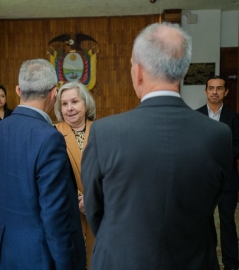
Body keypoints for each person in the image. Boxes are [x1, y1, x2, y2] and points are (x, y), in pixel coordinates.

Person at [81, 22, 233, 270]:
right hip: (193, 259)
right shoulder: (218, 135)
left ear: (138, 72)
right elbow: (211, 200)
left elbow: (95, 209)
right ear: (182, 73)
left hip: (122, 260)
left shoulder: (104, 133)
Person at [0, 59, 86, 270]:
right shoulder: (50, 137)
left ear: (18, 90)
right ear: (53, 94)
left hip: (5, 247)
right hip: (41, 255)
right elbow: (54, 213)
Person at [197, 75, 239, 270]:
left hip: (227, 179)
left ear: (225, 92)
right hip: (203, 181)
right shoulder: (196, 117)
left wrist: (217, 159)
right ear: (205, 91)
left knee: (227, 221)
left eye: (219, 88)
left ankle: (231, 263)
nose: (215, 92)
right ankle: (208, 260)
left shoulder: (234, 118)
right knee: (203, 222)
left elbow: (237, 146)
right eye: (211, 88)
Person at [54, 81, 96, 269]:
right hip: (68, 211)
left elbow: (112, 172)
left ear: (86, 103)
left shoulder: (101, 131)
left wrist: (93, 198)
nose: (69, 108)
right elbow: (52, 177)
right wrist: (78, 197)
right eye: (64, 104)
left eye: (74, 102)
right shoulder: (52, 134)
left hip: (99, 211)